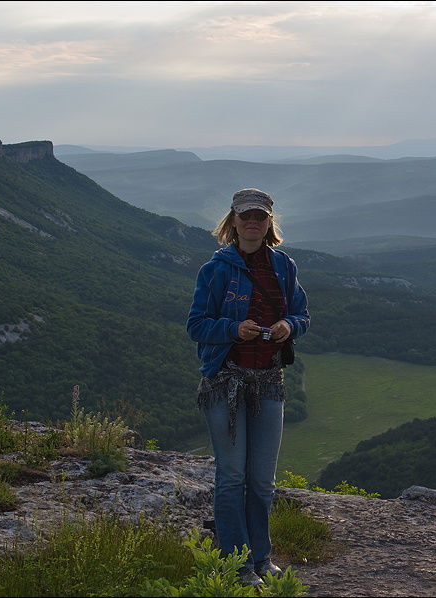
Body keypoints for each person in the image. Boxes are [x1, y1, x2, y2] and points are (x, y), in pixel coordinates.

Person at [186, 188, 309, 586]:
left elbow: (301, 314)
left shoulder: (283, 266)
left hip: (270, 381)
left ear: (270, 221)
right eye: (245, 216)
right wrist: (232, 329)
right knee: (232, 476)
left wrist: (289, 325)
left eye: (260, 216)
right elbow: (196, 325)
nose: (252, 222)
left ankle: (261, 558)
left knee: (261, 480)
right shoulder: (216, 270)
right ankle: (236, 565)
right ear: (233, 221)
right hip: (225, 381)